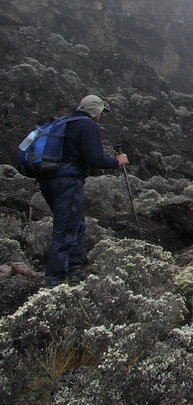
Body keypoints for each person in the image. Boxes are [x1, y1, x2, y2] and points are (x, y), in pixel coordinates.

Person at [39, 95, 128, 287]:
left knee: (75, 223)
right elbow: (95, 159)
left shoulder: (64, 122)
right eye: (101, 113)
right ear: (95, 111)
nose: (101, 117)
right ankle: (55, 280)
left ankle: (75, 270)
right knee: (65, 228)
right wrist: (117, 161)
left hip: (48, 180)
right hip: (68, 181)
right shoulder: (88, 126)